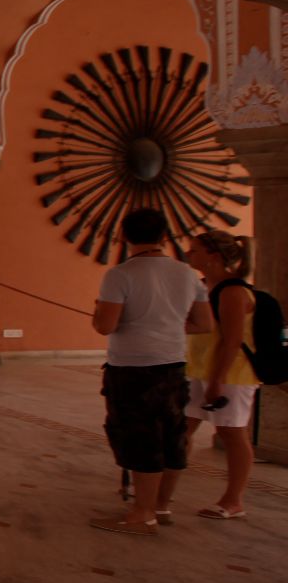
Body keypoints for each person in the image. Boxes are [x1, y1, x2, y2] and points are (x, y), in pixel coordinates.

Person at [90, 208, 212, 536]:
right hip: (172, 365)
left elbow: (106, 325)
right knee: (173, 435)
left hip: (132, 369)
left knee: (140, 437)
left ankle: (142, 513)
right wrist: (166, 325)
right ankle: (160, 505)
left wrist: (97, 314)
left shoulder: (121, 274)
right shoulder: (187, 274)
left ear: (125, 236)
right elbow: (203, 324)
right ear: (163, 236)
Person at [184, 229, 258, 520]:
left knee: (232, 434)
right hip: (198, 369)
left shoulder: (233, 291)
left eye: (195, 250)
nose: (189, 255)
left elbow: (232, 339)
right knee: (181, 429)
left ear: (213, 256)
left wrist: (217, 380)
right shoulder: (203, 287)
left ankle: (233, 500)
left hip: (231, 374)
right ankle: (164, 485)